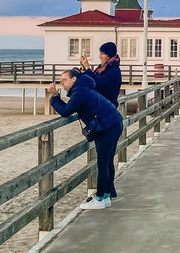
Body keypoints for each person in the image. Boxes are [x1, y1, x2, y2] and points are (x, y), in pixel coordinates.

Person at [46, 69, 123, 210]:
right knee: (107, 162)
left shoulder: (80, 91)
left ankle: (100, 199)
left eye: (64, 80)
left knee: (103, 163)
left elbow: (65, 111)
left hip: (107, 127)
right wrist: (57, 97)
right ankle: (106, 196)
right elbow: (70, 107)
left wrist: (54, 97)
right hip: (112, 123)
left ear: (74, 79)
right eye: (61, 80)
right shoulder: (83, 88)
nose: (62, 83)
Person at [80, 41, 122, 107]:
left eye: (102, 54)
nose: (100, 56)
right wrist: (84, 68)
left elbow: (95, 85)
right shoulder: (102, 68)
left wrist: (87, 68)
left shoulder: (113, 71)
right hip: (100, 105)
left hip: (106, 108)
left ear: (108, 55)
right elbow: (90, 79)